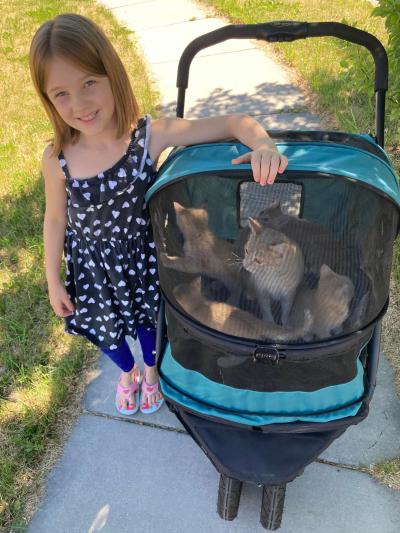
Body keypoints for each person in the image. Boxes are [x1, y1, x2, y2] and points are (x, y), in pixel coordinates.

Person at [29, 13, 288, 416]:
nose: (78, 103)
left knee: (151, 327)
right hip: (91, 270)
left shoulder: (148, 137)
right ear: (47, 99)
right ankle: (127, 372)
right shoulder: (56, 158)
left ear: (112, 75)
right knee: (105, 332)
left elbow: (235, 122)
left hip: (143, 263)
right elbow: (54, 220)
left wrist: (264, 145)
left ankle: (151, 371)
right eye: (60, 93)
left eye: (89, 83)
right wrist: (51, 279)